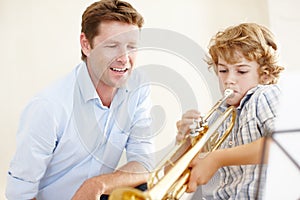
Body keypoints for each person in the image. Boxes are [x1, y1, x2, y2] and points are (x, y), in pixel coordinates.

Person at [6, 0, 155, 199]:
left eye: (131, 46)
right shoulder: (48, 107)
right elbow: (19, 195)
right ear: (86, 45)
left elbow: (144, 163)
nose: (124, 58)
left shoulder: (139, 88)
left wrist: (98, 184)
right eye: (112, 46)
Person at [176, 23, 284, 199]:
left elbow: (282, 145)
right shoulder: (218, 115)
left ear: (265, 75)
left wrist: (217, 158)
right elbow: (189, 182)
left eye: (241, 71)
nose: (229, 80)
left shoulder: (263, 95)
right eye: (223, 70)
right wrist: (184, 144)